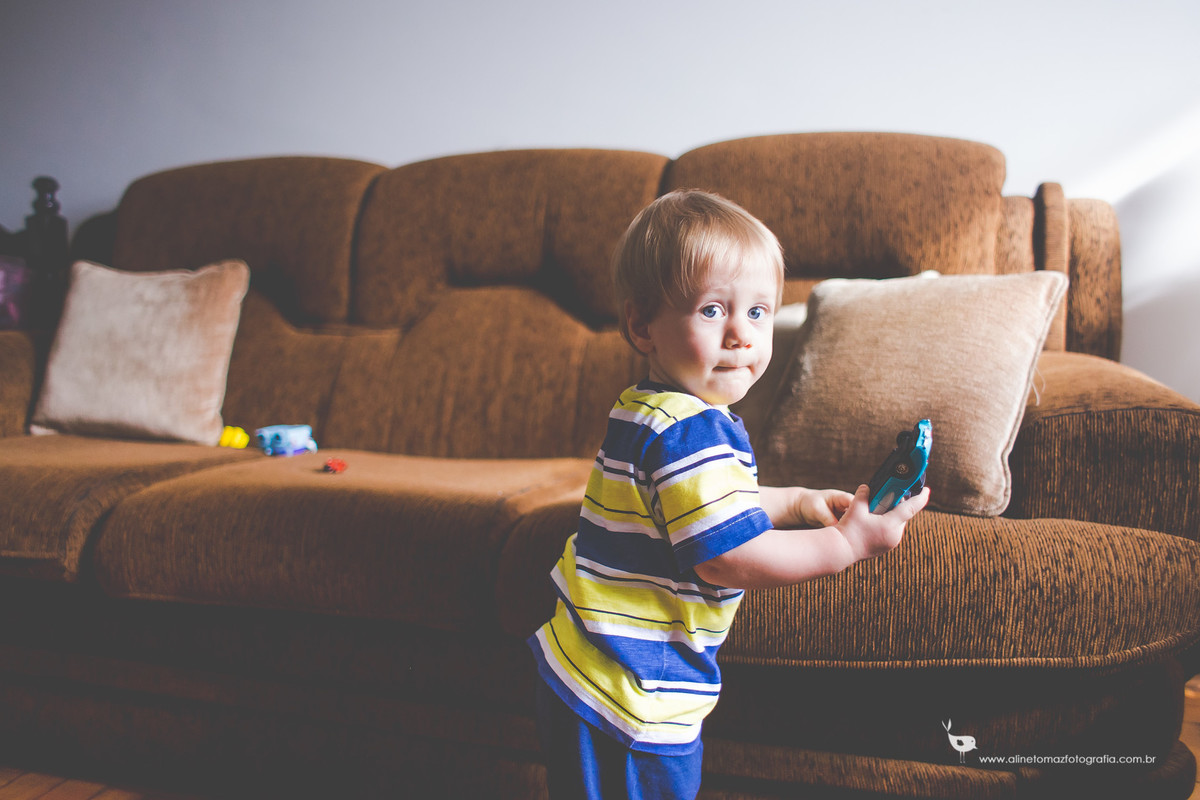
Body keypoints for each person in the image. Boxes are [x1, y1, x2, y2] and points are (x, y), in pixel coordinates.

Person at [527, 189, 930, 799]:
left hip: (583, 661)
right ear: (643, 326)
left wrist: (793, 500)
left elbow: (701, 507)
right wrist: (846, 543)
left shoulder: (647, 409)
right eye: (713, 310)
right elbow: (725, 555)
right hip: (633, 692)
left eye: (759, 313)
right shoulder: (694, 430)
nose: (741, 334)